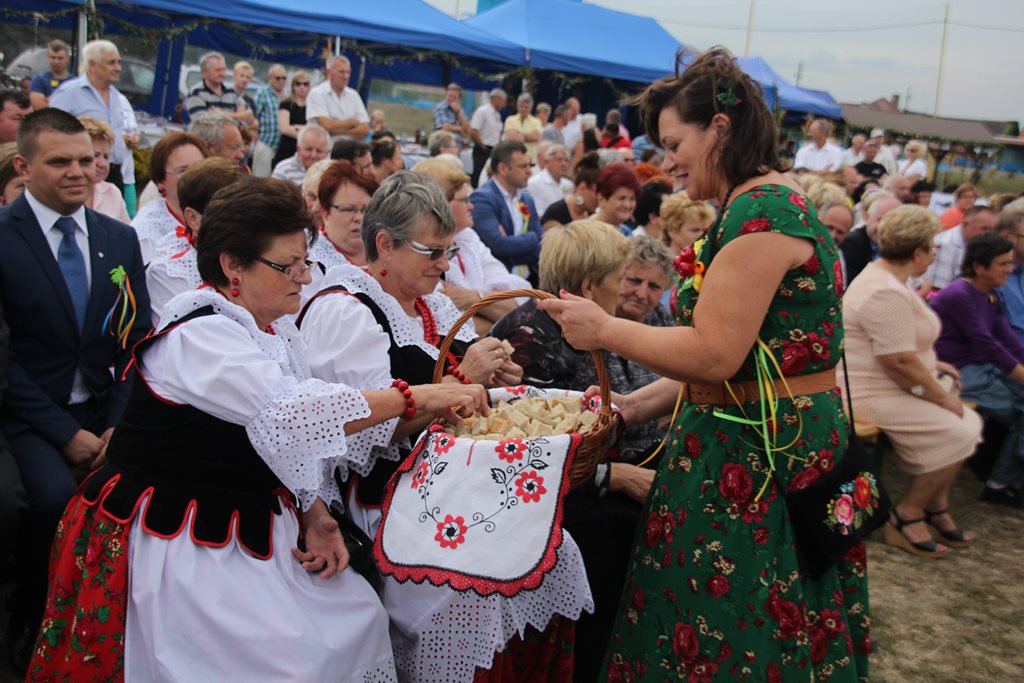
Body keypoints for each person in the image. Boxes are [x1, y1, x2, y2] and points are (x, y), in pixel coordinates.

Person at [29, 175, 489, 680]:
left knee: (355, 620)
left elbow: (280, 443)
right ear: (232, 266)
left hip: (246, 516)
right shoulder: (199, 335)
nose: (304, 277)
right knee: (285, 660)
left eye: (305, 262)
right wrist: (414, 396)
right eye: (286, 266)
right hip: (180, 533)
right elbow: (292, 411)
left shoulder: (274, 328)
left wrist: (314, 515)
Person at [539, 47, 869, 681]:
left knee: (737, 618)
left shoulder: (761, 214)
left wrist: (605, 329)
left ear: (719, 128)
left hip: (759, 452)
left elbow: (716, 354)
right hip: (764, 431)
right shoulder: (764, 204)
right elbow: (744, 358)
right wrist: (642, 402)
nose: (667, 162)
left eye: (674, 142)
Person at [0, 109, 151, 674]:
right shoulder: (4, 238)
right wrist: (66, 434)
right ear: (23, 165)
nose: (78, 172)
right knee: (48, 502)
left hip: (106, 410)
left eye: (86, 160)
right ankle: (30, 622)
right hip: (28, 412)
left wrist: (115, 421)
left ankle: (116, 628)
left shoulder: (118, 238)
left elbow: (136, 339)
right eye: (59, 161)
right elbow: (5, 361)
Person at [489, 219, 653, 683]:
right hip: (539, 500)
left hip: (579, 479)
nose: (625, 291)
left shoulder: (577, 328)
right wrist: (615, 477)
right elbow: (527, 450)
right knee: (619, 531)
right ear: (587, 287)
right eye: (620, 280)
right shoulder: (530, 337)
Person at [841, 205, 981, 556]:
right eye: (932, 248)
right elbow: (898, 361)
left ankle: (935, 507)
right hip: (866, 392)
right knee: (961, 428)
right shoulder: (882, 290)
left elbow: (905, 346)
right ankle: (907, 514)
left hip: (888, 384)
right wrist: (939, 395)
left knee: (968, 422)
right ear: (917, 251)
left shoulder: (887, 281)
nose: (933, 255)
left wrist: (938, 367)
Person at [932, 233, 1024, 508]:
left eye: (1010, 263)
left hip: (980, 367)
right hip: (956, 371)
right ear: (979, 267)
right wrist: (1020, 374)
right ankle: (999, 483)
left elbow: (1006, 338)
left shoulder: (990, 295)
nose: (1010, 269)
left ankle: (1000, 482)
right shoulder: (960, 294)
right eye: (1003, 264)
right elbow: (986, 342)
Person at [412, 157, 528, 333]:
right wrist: (492, 308)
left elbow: (519, 302)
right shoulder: (425, 253)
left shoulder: (467, 238)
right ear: (441, 205)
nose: (472, 206)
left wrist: (471, 298)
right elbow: (458, 330)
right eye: (464, 200)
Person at [145, 157, 249, 324]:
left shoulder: (254, 256)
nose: (242, 223)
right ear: (193, 218)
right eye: (226, 214)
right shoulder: (168, 273)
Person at [607, 235, 675, 462]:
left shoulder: (660, 317)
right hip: (615, 457)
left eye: (654, 286)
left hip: (665, 446)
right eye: (634, 280)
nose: (642, 293)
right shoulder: (597, 322)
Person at [49, 40, 129, 190]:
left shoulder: (116, 96)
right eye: (111, 63)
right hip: (83, 174)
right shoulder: (69, 92)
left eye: (119, 62)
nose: (118, 68)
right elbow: (53, 133)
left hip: (114, 174)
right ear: (92, 64)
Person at [470, 140, 542, 284]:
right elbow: (498, 247)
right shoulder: (482, 198)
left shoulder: (526, 198)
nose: (529, 171)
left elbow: (540, 243)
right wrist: (531, 238)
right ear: (503, 168)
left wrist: (514, 247)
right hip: (498, 284)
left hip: (530, 279)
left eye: (530, 165)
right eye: (523, 166)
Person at [131, 132, 208, 263]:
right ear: (160, 181)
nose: (196, 176)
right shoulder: (146, 232)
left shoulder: (223, 211)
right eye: (183, 170)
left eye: (201, 167)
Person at [308, 160, 379, 269]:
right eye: (348, 209)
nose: (359, 218)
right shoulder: (311, 261)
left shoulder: (387, 251)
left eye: (367, 209)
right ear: (326, 214)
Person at [923, 205, 996, 290]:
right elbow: (938, 289)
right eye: (984, 229)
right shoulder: (945, 244)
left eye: (992, 230)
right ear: (965, 225)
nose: (989, 234)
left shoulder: (982, 244)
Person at [184, 52, 256, 130]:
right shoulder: (196, 93)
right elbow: (204, 124)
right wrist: (238, 116)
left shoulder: (232, 93)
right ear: (204, 72)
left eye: (224, 70)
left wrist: (221, 113)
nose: (222, 73)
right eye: (218, 70)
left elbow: (249, 118)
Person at [307, 55, 370, 144]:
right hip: (324, 152)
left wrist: (335, 130)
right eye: (341, 72)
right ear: (329, 72)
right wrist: (351, 122)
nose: (346, 76)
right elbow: (326, 126)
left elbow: (365, 129)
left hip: (348, 152)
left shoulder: (354, 95)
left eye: (348, 72)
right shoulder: (316, 94)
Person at [78, 116, 129, 223]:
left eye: (106, 157)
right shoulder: (62, 193)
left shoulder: (112, 193)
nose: (103, 164)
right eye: (95, 155)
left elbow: (127, 236)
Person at [841, 194, 901, 284]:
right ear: (866, 217)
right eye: (880, 220)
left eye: (892, 223)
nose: (884, 227)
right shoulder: (852, 243)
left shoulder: (899, 245)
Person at [540, 151, 600, 229]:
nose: (599, 198)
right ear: (582, 187)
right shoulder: (556, 213)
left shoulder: (592, 213)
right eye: (596, 192)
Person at [251, 63, 288, 177]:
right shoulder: (262, 93)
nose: (281, 81)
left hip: (282, 146)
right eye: (278, 78)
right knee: (260, 179)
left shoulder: (288, 96)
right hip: (266, 143)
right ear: (270, 78)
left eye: (284, 78)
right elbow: (254, 116)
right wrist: (256, 140)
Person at [469, 88, 506, 187]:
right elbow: (473, 131)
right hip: (482, 148)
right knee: (478, 175)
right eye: (503, 101)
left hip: (493, 149)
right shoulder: (482, 111)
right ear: (497, 99)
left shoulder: (497, 115)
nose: (504, 104)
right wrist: (483, 146)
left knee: (488, 176)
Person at [272, 69, 310, 168]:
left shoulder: (313, 106)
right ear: (293, 86)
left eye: (305, 84)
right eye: (298, 84)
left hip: (306, 151)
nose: (302, 87)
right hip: (286, 149)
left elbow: (316, 127)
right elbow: (284, 128)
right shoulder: (286, 103)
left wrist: (296, 127)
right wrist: (305, 131)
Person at [592, 162, 641, 234]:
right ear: (601, 199)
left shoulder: (627, 233)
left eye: (632, 199)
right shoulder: (583, 234)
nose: (627, 205)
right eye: (622, 198)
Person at [526, 143, 573, 216]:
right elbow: (537, 213)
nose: (563, 164)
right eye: (559, 160)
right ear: (547, 162)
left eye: (566, 160)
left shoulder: (569, 184)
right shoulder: (534, 183)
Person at [28, 40, 72, 110]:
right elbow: (39, 107)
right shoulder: (38, 80)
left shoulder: (74, 82)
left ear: (68, 59)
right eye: (53, 58)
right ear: (48, 58)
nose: (56, 62)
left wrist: (52, 101)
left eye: (60, 58)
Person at [503, 92, 542, 164]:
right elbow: (511, 137)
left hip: (531, 160)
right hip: (512, 160)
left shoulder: (536, 121)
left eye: (526, 107)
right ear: (517, 106)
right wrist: (528, 136)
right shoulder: (510, 119)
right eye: (521, 107)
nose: (523, 109)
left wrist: (518, 134)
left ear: (531, 107)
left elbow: (536, 137)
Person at [432, 82, 470, 147]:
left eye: (454, 97)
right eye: (450, 96)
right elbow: (444, 128)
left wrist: (459, 113)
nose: (451, 99)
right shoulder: (440, 108)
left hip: (456, 148)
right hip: (441, 147)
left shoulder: (461, 110)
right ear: (446, 96)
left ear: (459, 99)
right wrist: (462, 129)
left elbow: (468, 131)